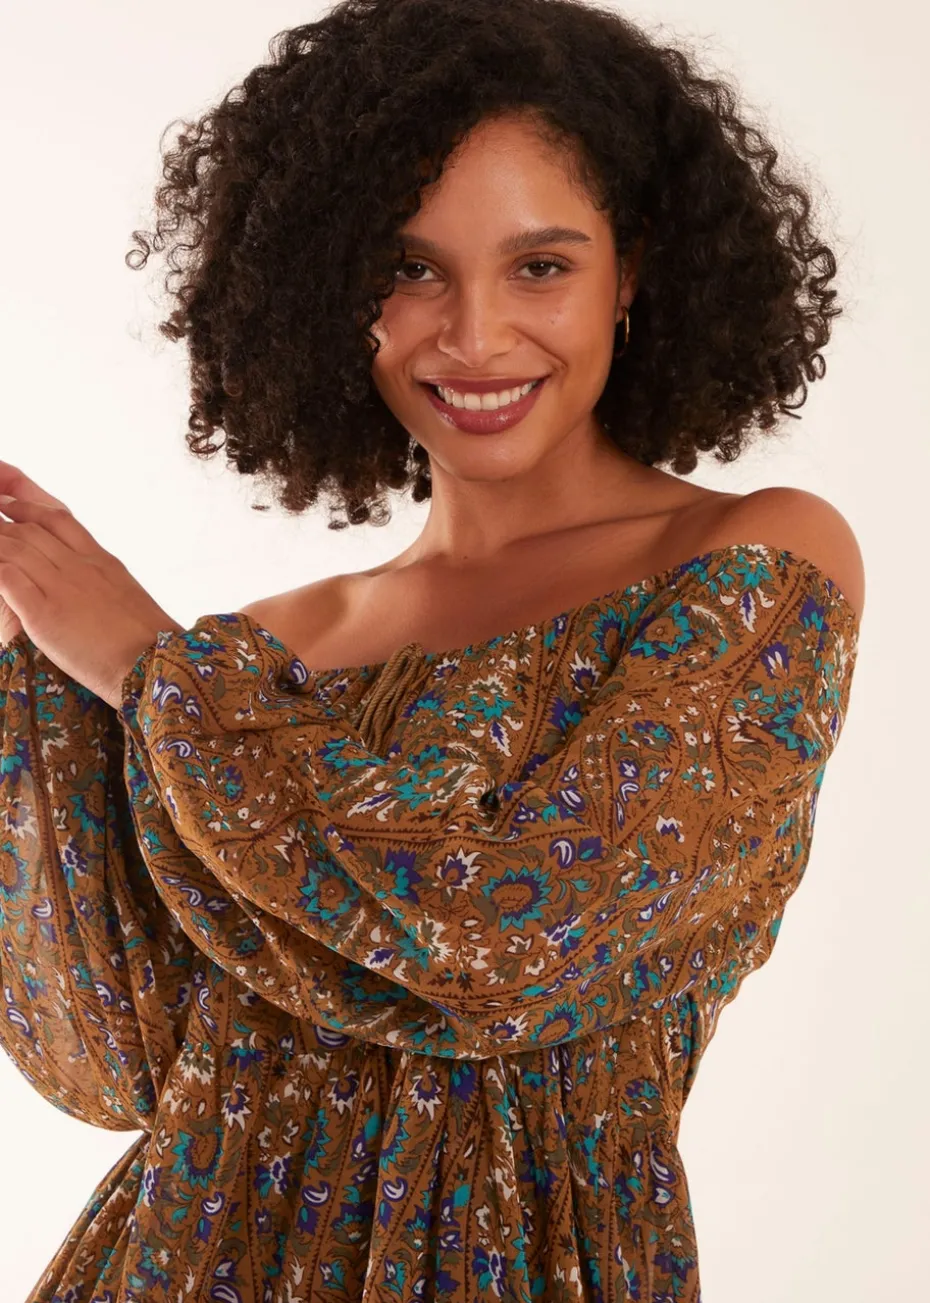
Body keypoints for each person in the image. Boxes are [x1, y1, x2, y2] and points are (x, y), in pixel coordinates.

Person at [0, 1, 864, 1299]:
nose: (472, 335)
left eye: (540, 266)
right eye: (408, 269)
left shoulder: (754, 560)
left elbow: (503, 945)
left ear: (632, 271)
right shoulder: (270, 649)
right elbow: (115, 1056)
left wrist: (143, 669)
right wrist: (30, 672)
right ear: (327, 284)